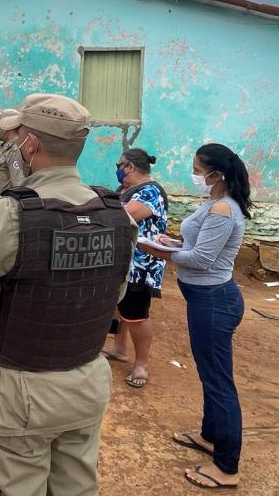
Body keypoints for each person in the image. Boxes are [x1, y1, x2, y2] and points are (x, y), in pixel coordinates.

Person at [0, 94, 137, 495]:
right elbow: (112, 295)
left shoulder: (7, 214)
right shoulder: (116, 214)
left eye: (16, 139)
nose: (11, 148)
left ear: (30, 145)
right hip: (86, 384)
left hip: (21, 393)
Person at [141, 143, 251, 490]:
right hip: (206, 298)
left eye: (198, 170)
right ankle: (210, 436)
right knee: (210, 374)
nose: (196, 176)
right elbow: (198, 248)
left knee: (219, 381)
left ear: (216, 174)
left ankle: (227, 467)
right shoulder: (215, 205)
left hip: (214, 301)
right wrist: (172, 242)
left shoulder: (222, 209)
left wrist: (159, 251)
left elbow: (202, 259)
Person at [101, 148, 168, 389]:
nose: (118, 169)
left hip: (141, 265)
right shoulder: (126, 190)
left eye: (120, 165)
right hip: (124, 260)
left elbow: (125, 216)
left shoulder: (150, 191)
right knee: (121, 308)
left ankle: (142, 364)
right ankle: (120, 349)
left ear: (130, 167)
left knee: (137, 313)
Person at [0, 109, 26, 197]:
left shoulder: (15, 150)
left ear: (8, 126)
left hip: (4, 204)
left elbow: (18, 185)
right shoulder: (5, 148)